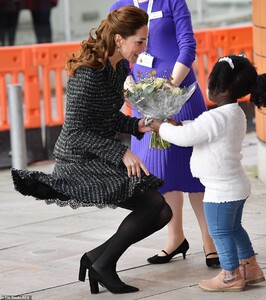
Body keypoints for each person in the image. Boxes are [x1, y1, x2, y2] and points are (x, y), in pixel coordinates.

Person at [11, 6, 172, 294]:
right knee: (154, 207)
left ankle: (97, 259)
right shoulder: (89, 73)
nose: (144, 48)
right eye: (140, 41)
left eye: (145, 41)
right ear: (120, 39)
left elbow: (108, 117)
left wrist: (144, 124)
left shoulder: (118, 66)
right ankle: (103, 264)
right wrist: (121, 153)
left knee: (161, 212)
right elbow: (76, 131)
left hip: (98, 153)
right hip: (78, 160)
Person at [110, 0, 219, 267]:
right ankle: (175, 238)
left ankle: (210, 241)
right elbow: (117, 51)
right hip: (142, 102)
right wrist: (131, 91)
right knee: (162, 174)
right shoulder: (120, 5)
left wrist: (170, 89)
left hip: (181, 95)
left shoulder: (173, 1)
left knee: (195, 170)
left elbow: (188, 45)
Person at [149, 55, 266, 292]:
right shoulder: (235, 113)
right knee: (234, 229)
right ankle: (250, 267)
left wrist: (161, 127)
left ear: (222, 89)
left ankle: (230, 275)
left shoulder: (215, 117)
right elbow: (198, 130)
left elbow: (187, 138)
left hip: (219, 190)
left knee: (219, 232)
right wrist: (178, 125)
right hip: (236, 186)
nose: (208, 86)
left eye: (211, 82)